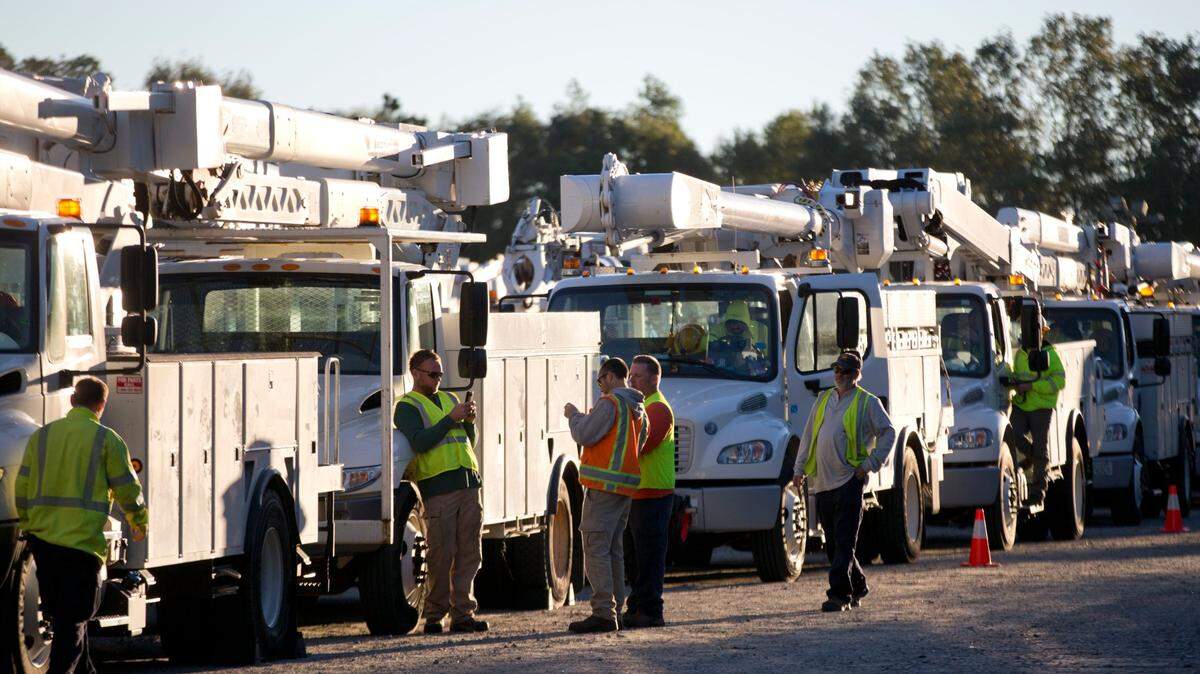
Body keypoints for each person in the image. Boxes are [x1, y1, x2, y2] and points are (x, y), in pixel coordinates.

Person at [15, 377, 148, 674]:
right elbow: (128, 489)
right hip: (82, 547)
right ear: (102, 405)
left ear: (72, 401)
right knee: (72, 623)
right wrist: (138, 522)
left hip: (43, 546)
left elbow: (21, 487)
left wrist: (29, 525)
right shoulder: (107, 440)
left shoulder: (42, 437)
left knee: (67, 619)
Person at [791, 351, 895, 613]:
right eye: (837, 369)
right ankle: (858, 585)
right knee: (835, 544)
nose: (839, 375)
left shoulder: (867, 402)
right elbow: (808, 435)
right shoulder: (824, 399)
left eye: (845, 371)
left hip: (850, 481)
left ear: (856, 374)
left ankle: (839, 596)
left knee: (845, 542)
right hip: (823, 482)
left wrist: (870, 464)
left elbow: (888, 432)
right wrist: (799, 469)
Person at [394, 349, 488, 634]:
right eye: (432, 374)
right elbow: (420, 442)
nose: (437, 379)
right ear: (415, 373)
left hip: (468, 483)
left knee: (470, 553)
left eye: (440, 374)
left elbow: (469, 441)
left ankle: (463, 615)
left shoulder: (450, 400)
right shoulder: (407, 406)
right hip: (438, 489)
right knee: (441, 554)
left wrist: (469, 422)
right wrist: (450, 419)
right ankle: (435, 616)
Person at [564, 357, 647, 633]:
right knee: (613, 550)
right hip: (624, 488)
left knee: (596, 546)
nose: (600, 385)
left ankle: (603, 613)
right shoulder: (638, 407)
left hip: (603, 487)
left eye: (600, 379)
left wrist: (574, 415)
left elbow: (584, 434)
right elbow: (640, 443)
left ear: (611, 377)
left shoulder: (611, 403)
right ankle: (615, 611)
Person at [623, 355, 675, 629]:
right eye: (630, 375)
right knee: (636, 558)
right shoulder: (643, 406)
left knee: (649, 558)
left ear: (654, 379)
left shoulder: (658, 409)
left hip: (654, 495)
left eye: (637, 376)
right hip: (639, 493)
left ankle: (651, 611)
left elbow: (642, 444)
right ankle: (637, 607)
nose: (631, 381)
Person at [1009, 322, 1065, 509]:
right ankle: (1036, 458)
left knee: (1041, 447)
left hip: (1042, 407)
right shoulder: (1020, 354)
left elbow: (1059, 381)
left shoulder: (1050, 354)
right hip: (1021, 405)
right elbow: (1017, 375)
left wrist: (1031, 386)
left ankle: (1038, 492)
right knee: (1014, 435)